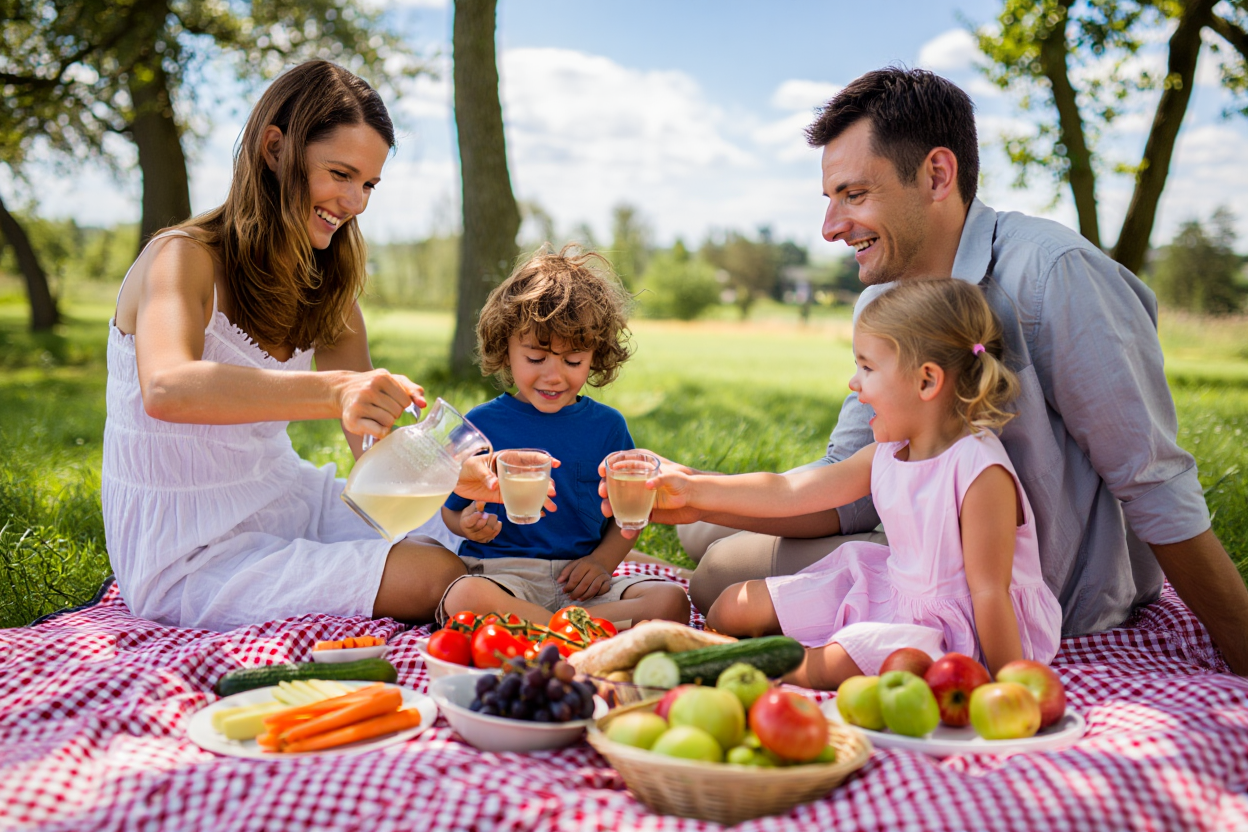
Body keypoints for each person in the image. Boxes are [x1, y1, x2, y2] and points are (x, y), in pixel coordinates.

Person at [669, 67, 1248, 675]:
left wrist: (1241, 656)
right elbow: (853, 480)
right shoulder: (885, 300)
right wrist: (693, 493)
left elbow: (1154, 481)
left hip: (1008, 588)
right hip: (916, 542)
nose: (831, 228)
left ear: (937, 176)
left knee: (720, 572)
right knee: (699, 528)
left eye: (854, 195)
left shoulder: (1055, 277)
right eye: (830, 199)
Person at [103, 61, 504, 632]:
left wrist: (440, 475)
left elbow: (370, 447)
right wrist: (337, 390)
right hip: (188, 551)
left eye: (368, 184)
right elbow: (167, 388)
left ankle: (629, 586)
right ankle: (574, 639)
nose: (355, 201)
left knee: (462, 533)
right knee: (432, 574)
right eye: (340, 173)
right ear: (274, 149)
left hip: (284, 500)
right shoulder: (182, 257)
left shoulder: (326, 284)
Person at [637, 280, 1061, 689]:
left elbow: (989, 593)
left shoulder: (979, 472)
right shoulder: (890, 451)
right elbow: (790, 492)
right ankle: (755, 651)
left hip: (953, 632)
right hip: (892, 590)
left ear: (927, 381)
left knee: (830, 664)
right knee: (731, 607)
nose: (854, 383)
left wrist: (1013, 688)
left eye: (867, 367)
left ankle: (746, 664)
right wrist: (693, 490)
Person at [436, 246, 691, 627]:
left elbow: (628, 516)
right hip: (503, 577)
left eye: (573, 361)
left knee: (671, 600)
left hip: (583, 586)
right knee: (464, 596)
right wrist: (468, 525)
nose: (554, 376)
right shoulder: (478, 424)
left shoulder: (608, 426)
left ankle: (551, 627)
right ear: (505, 348)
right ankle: (570, 629)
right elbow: (450, 508)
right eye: (536, 359)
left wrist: (602, 563)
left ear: (596, 354)